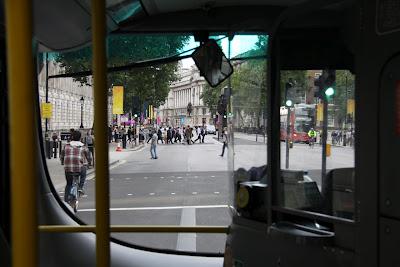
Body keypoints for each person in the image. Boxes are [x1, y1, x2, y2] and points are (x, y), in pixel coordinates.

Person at [60, 130, 92, 200]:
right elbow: (89, 157)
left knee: (68, 184)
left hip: (68, 168)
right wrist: (89, 162)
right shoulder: (83, 146)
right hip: (79, 168)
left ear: (71, 137)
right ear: (80, 138)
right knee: (83, 172)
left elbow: (62, 156)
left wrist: (62, 162)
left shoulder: (66, 146)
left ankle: (66, 200)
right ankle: (80, 187)